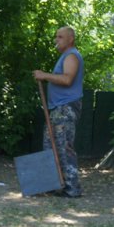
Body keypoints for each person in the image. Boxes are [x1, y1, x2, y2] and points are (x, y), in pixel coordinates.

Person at [33, 26, 84, 198]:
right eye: (56, 36)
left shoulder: (71, 56)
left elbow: (67, 79)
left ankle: (72, 188)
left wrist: (44, 76)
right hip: (57, 109)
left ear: (71, 39)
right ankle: (53, 184)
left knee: (63, 146)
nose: (57, 40)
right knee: (51, 146)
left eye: (60, 37)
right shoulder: (64, 56)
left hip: (65, 108)